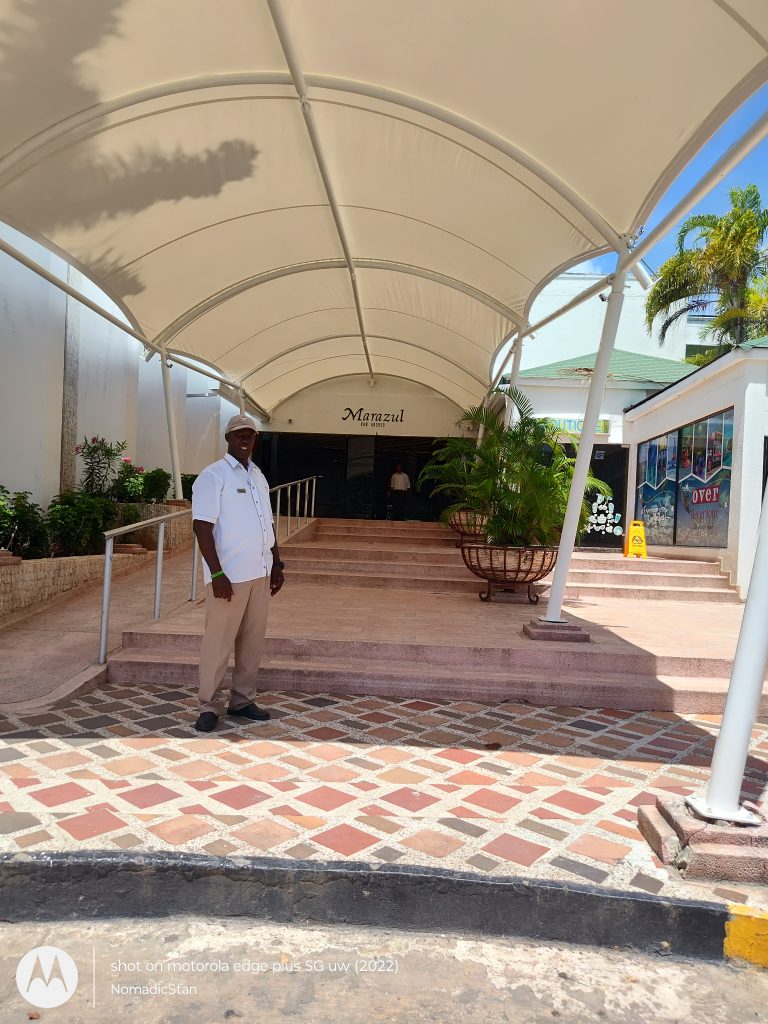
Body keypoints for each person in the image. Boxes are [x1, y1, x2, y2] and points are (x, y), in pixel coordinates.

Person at [191, 414, 284, 733]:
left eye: (250, 434)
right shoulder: (213, 475)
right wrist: (217, 574)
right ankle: (209, 705)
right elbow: (202, 527)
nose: (245, 438)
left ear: (255, 439)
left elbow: (267, 524)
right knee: (218, 643)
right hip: (228, 577)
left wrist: (277, 564)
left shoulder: (258, 476)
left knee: (251, 643)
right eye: (238, 434)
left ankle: (243, 700)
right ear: (228, 438)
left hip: (259, 572)